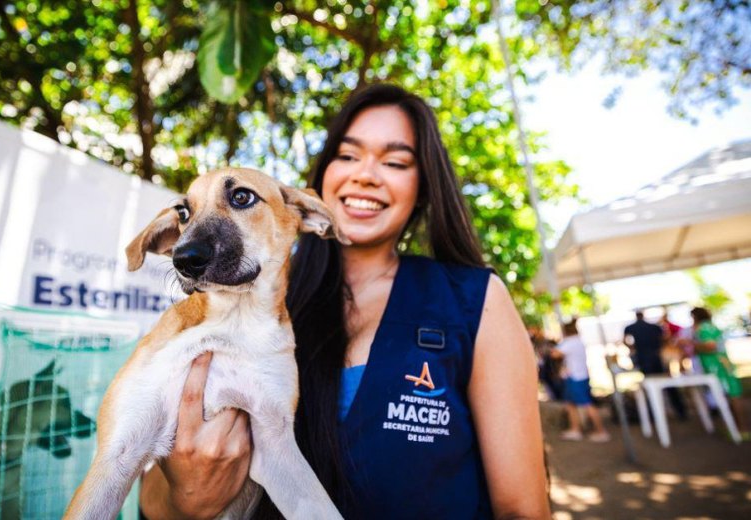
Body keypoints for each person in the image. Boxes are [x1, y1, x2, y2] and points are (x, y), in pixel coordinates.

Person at [138, 84, 549, 519]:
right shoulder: (244, 298)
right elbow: (151, 498)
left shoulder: (473, 300)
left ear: (423, 187)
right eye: (348, 156)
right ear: (320, 182)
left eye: (395, 162)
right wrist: (188, 497)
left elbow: (522, 510)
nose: (365, 175)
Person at [690, 306, 749, 437]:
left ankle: (742, 429)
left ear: (695, 317)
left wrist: (692, 343)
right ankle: (738, 428)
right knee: (731, 396)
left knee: (732, 396)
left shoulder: (704, 328)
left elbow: (711, 346)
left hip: (718, 367)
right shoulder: (710, 326)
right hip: (722, 365)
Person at [549, 321, 610, 442]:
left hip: (575, 377)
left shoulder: (570, 342)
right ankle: (575, 429)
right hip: (580, 375)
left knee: (587, 404)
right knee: (570, 404)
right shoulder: (578, 341)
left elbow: (554, 354)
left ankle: (601, 431)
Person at [624, 310, 688, 420]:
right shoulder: (654, 327)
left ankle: (654, 415)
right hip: (658, 358)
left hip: (644, 359)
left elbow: (625, 341)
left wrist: (633, 348)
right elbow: (665, 338)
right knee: (668, 384)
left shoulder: (631, 327)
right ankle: (680, 411)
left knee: (650, 386)